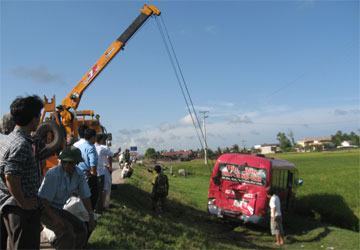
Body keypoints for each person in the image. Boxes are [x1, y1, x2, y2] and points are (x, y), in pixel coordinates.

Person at [0, 95, 44, 249]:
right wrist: (24, 203)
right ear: (33, 119)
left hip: (10, 204)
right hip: (20, 209)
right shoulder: (22, 144)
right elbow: (10, 176)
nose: (39, 120)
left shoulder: (9, 139)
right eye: (39, 115)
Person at [38, 146, 95, 249]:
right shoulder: (53, 174)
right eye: (65, 162)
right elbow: (43, 201)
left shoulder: (79, 174)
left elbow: (85, 196)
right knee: (67, 232)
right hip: (45, 209)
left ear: (76, 163)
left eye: (71, 163)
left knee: (81, 228)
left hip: (59, 208)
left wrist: (91, 216)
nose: (67, 165)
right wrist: (55, 218)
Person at [94, 134, 120, 213]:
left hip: (93, 171)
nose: (105, 141)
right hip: (103, 170)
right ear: (101, 140)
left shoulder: (92, 146)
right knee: (105, 188)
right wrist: (118, 151)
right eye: (104, 139)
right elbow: (112, 156)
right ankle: (104, 206)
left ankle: (96, 207)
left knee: (96, 190)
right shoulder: (103, 148)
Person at [76, 128, 98, 209]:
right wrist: (94, 174)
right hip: (88, 175)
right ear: (92, 137)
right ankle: (90, 215)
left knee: (81, 196)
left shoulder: (80, 146)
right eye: (95, 137)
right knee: (91, 196)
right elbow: (93, 163)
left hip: (79, 173)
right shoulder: (91, 147)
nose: (96, 139)